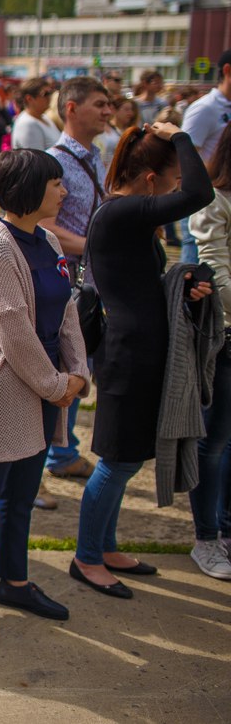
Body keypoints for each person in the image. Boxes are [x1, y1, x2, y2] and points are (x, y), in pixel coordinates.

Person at [0, 149, 89, 645]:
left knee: (22, 496)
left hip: (46, 386)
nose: (64, 191)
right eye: (55, 184)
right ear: (30, 189)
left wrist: (78, 372)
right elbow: (12, 330)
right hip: (2, 390)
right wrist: (57, 386)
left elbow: (67, 311)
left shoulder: (46, 239)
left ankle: (14, 581)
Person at [72, 122, 216, 598]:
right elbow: (200, 192)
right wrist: (181, 138)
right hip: (125, 355)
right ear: (151, 179)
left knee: (126, 459)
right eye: (171, 178)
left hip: (139, 351)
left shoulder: (127, 215)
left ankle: (105, 546)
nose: (178, 186)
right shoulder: (121, 212)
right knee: (116, 461)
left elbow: (142, 282)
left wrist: (186, 283)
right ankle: (86, 557)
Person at [42, 76, 114, 484]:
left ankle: (62, 449)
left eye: (109, 104)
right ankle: (55, 453)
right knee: (64, 367)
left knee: (78, 366)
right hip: (66, 284)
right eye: (99, 104)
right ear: (71, 108)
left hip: (87, 285)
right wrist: (97, 245)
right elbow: (49, 227)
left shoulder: (95, 156)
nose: (108, 111)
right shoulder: (56, 162)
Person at [188, 122, 231, 580]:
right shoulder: (215, 202)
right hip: (223, 337)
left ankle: (225, 529)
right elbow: (216, 278)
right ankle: (206, 537)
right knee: (214, 443)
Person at [178, 49, 231, 264]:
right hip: (203, 202)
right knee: (196, 268)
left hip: (223, 200)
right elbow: (185, 156)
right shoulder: (205, 108)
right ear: (227, 71)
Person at [11, 78, 61, 151]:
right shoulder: (27, 124)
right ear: (29, 99)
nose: (49, 97)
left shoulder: (44, 117)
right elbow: (36, 160)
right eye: (45, 94)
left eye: (50, 93)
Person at [97, 97, 138, 169]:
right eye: (126, 109)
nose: (130, 113)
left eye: (131, 110)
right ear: (114, 110)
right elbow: (104, 155)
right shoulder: (105, 130)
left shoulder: (132, 131)